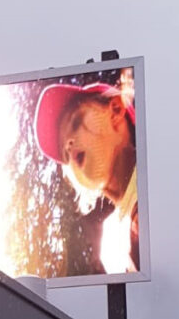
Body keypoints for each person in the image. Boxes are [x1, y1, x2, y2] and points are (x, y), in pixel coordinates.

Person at [35, 81, 139, 272]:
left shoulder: (160, 172)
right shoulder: (110, 244)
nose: (69, 144)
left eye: (76, 122)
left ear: (115, 110)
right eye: (65, 154)